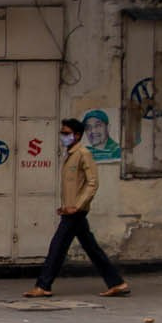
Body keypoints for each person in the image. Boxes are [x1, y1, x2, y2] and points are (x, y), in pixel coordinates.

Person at [25, 117, 130, 299]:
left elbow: (92, 183)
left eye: (66, 134)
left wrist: (77, 206)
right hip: (71, 211)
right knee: (91, 248)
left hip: (76, 212)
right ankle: (117, 283)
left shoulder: (83, 154)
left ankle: (43, 285)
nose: (63, 137)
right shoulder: (71, 154)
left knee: (57, 247)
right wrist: (66, 206)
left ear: (77, 135)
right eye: (62, 133)